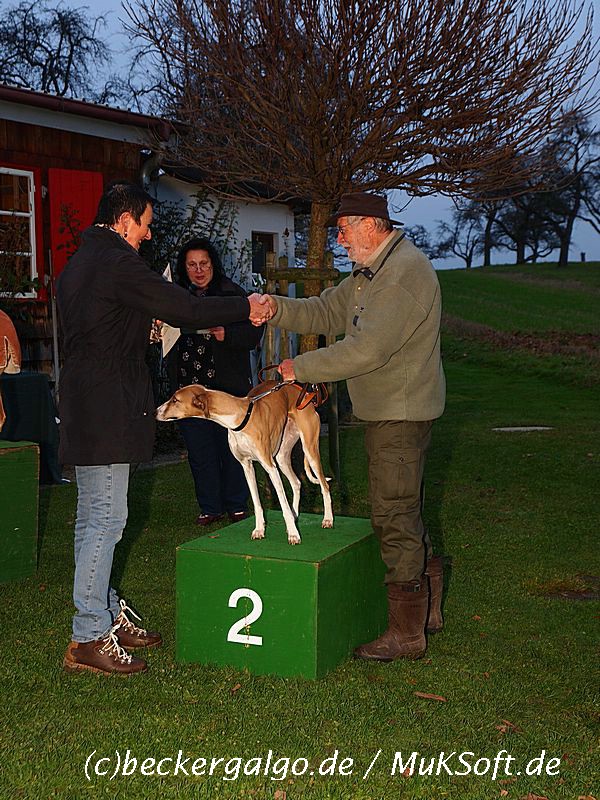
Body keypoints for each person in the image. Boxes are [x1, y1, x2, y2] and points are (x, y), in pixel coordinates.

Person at [57, 181, 271, 676]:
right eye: (146, 225)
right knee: (106, 520)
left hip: (85, 402)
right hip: (108, 406)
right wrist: (245, 306)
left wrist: (142, 329)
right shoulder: (117, 261)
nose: (149, 236)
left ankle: (104, 611)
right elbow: (186, 308)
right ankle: (88, 634)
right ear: (124, 221)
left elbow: (100, 329)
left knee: (93, 518)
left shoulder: (79, 264)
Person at [259, 191, 446, 662]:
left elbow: (367, 349)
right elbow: (324, 311)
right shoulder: (371, 272)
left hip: (401, 412)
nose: (338, 240)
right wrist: (273, 307)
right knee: (404, 507)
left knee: (393, 514)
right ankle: (427, 613)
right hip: (389, 409)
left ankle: (407, 634)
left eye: (343, 229)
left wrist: (298, 368)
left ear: (371, 224)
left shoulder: (403, 272)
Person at [167, 237, 263, 526]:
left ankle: (237, 504)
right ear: (184, 268)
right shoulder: (175, 297)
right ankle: (210, 507)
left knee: (231, 448)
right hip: (187, 390)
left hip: (227, 388)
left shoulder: (233, 294)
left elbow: (254, 333)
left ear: (213, 264)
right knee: (200, 451)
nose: (199, 270)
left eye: (204, 264)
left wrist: (227, 334)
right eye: (192, 265)